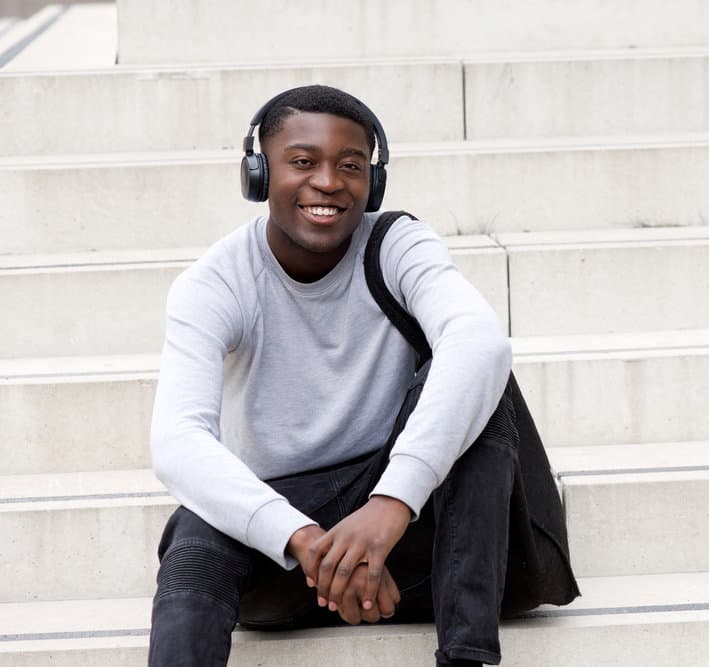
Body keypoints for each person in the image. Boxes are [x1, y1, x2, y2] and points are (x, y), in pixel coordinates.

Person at [148, 85, 515, 667]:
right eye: (301, 162)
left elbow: (480, 340)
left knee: (485, 390)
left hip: (406, 536)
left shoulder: (397, 244)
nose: (328, 182)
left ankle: (468, 659)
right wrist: (305, 539)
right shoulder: (213, 282)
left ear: (374, 182)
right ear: (259, 174)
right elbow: (177, 441)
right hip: (284, 551)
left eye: (350, 166)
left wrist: (391, 505)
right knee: (192, 540)